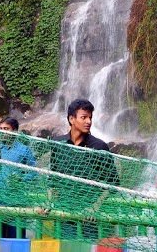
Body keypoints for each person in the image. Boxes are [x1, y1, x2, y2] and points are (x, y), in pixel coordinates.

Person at [50, 99, 119, 238]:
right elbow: (53, 178)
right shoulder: (58, 144)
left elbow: (113, 183)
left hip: (91, 221)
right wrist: (50, 202)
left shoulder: (99, 147)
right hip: (64, 216)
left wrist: (94, 208)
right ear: (71, 119)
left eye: (90, 118)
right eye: (84, 117)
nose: (88, 121)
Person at [0, 117, 37, 238]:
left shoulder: (24, 150)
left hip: (16, 202)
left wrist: (21, 179)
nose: (2, 132)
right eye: (0, 129)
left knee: (16, 240)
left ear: (15, 131)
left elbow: (34, 171)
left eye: (6, 129)